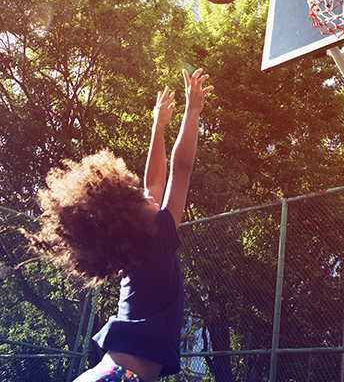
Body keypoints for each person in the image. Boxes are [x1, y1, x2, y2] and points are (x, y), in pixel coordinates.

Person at [31, 68, 213, 382]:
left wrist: (158, 127)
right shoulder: (154, 239)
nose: (146, 193)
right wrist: (193, 109)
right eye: (137, 195)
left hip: (111, 372)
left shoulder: (141, 245)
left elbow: (155, 184)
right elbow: (180, 169)